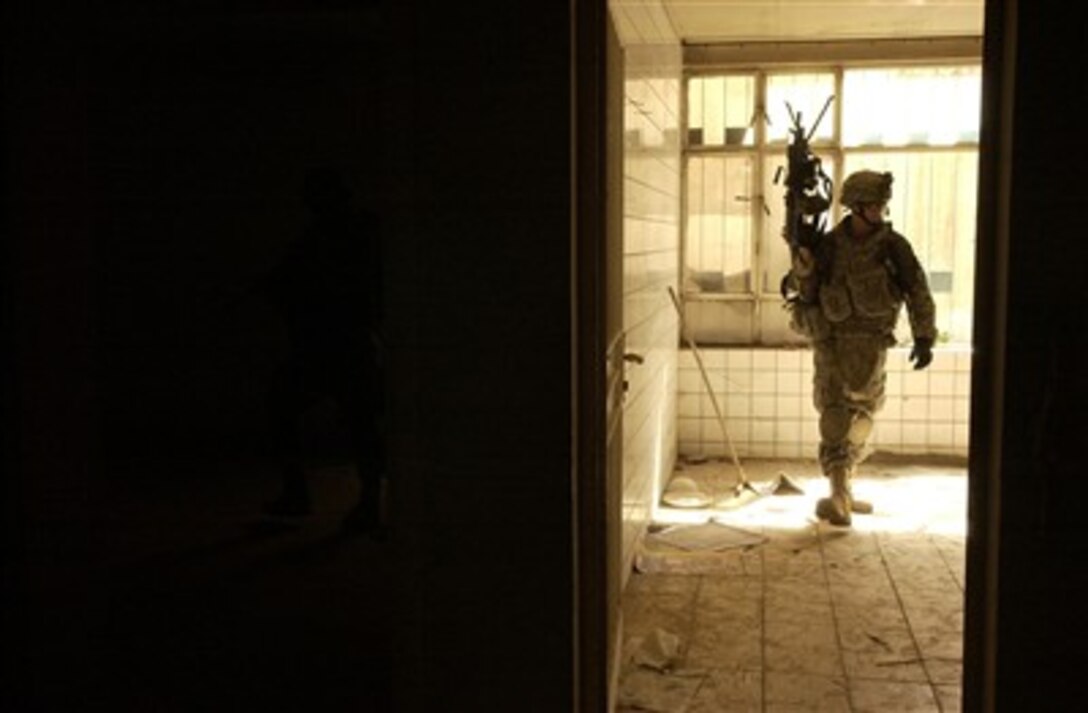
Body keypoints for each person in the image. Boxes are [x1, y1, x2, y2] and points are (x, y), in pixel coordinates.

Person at [785, 170, 936, 526]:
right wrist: (802, 261)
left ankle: (846, 487)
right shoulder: (829, 245)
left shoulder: (892, 246)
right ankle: (837, 491)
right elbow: (801, 286)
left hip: (871, 342)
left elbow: (916, 288)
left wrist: (924, 335)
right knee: (835, 413)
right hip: (833, 340)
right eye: (875, 205)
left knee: (864, 416)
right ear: (857, 207)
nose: (881, 211)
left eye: (883, 205)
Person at [256, 166, 386, 536]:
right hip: (335, 343)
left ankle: (361, 502)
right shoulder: (337, 232)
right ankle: (358, 501)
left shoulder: (344, 234)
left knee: (359, 424)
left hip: (340, 342)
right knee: (356, 424)